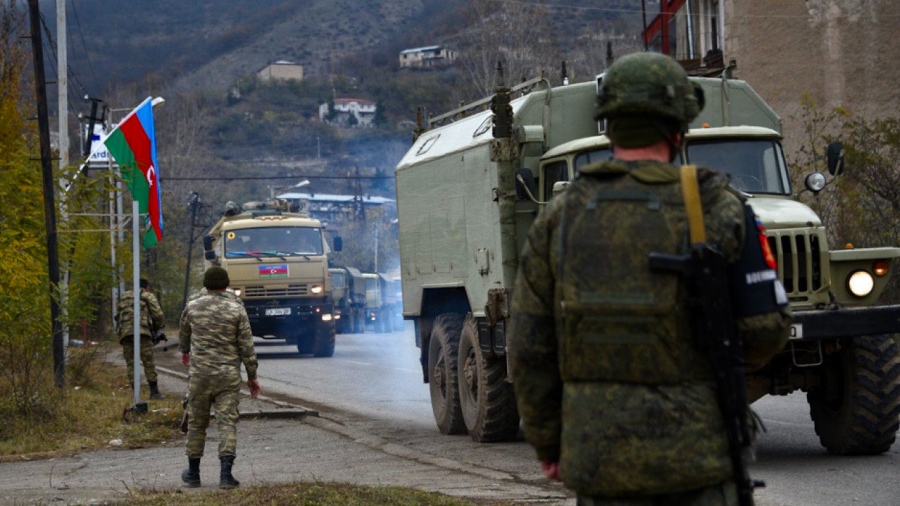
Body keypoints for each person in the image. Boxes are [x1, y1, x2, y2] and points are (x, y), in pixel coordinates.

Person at [508, 51, 791, 506]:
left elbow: (527, 347)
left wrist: (549, 443)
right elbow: (765, 331)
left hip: (599, 463)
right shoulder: (720, 207)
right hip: (699, 461)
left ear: (609, 124)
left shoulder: (561, 216)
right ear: (679, 126)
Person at [179, 266, 261, 489]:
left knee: (196, 423)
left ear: (205, 285)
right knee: (227, 423)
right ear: (226, 285)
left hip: (200, 376)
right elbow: (247, 345)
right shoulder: (236, 309)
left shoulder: (192, 306)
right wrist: (252, 376)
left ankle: (193, 474)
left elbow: (183, 333)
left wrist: (185, 350)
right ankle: (226, 475)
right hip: (227, 377)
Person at [116, 278, 166, 399]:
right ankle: (154, 392)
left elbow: (118, 315)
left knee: (131, 363)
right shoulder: (147, 295)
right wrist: (156, 328)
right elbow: (158, 314)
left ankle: (135, 393)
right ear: (146, 287)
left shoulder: (124, 296)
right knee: (148, 361)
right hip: (142, 332)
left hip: (125, 333)